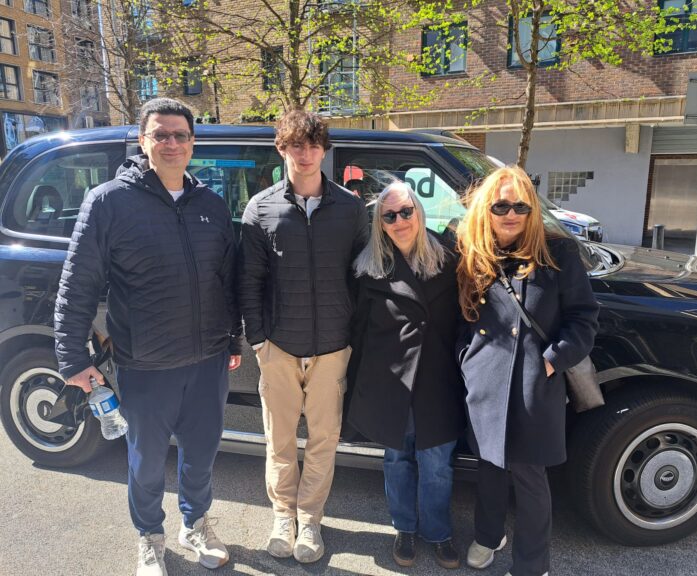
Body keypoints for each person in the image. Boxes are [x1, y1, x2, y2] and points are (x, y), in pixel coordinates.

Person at [54, 98, 243, 576]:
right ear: (143, 141)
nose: (172, 143)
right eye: (161, 134)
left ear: (193, 143)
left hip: (207, 361)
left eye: (180, 135)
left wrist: (233, 340)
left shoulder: (212, 205)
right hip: (145, 365)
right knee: (145, 464)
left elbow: (228, 280)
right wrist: (73, 358)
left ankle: (195, 523)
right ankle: (149, 537)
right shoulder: (109, 202)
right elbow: (77, 285)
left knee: (201, 456)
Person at [237, 108, 369, 564]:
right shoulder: (261, 208)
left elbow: (360, 278)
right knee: (278, 441)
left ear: (323, 150)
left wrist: (351, 335)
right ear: (282, 149)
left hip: (333, 347)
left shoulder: (350, 209)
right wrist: (258, 340)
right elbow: (249, 281)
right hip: (279, 347)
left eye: (313, 145)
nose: (306, 154)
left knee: (322, 440)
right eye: (297, 145)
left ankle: (309, 519)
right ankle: (282, 515)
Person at [455, 166, 599, 576]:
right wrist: (468, 360)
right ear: (488, 208)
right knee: (489, 466)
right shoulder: (472, 254)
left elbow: (584, 318)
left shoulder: (557, 254)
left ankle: (533, 565)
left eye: (521, 205)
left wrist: (554, 360)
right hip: (485, 382)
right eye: (501, 205)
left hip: (536, 384)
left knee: (530, 476)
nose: (511, 213)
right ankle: (487, 535)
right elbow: (460, 320)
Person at [345, 182, 464, 569]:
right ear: (380, 222)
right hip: (391, 383)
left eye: (406, 212)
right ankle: (405, 528)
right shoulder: (369, 268)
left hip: (437, 381)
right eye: (390, 215)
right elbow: (359, 332)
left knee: (437, 465)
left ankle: (438, 532)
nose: (400, 222)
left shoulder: (449, 261)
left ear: (419, 212)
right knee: (397, 460)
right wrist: (357, 388)